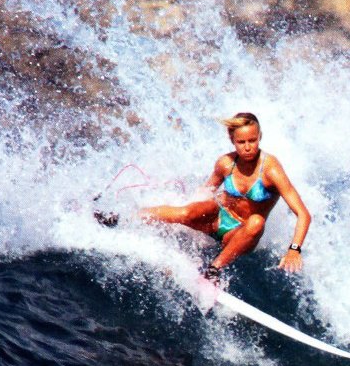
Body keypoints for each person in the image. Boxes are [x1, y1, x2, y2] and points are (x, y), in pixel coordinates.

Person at [95, 112, 311, 280]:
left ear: (260, 137)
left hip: (237, 235)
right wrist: (193, 208)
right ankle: (121, 218)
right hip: (216, 221)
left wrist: (294, 249)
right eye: (241, 142)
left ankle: (214, 269)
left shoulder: (271, 170)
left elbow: (303, 214)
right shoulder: (225, 163)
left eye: (252, 140)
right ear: (232, 140)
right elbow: (206, 191)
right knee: (187, 211)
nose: (247, 147)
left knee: (256, 222)